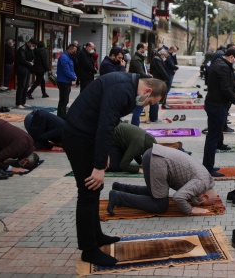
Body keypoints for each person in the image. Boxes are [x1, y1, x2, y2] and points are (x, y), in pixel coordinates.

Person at [61, 72, 165, 267]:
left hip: (87, 134)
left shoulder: (128, 85)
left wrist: (104, 153)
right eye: (150, 102)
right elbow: (105, 125)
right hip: (78, 136)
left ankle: (96, 236)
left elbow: (109, 122)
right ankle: (89, 250)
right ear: (148, 90)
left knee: (94, 190)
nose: (146, 106)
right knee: (88, 191)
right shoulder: (122, 90)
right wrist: (99, 166)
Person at [108, 144, 218, 216]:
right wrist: (191, 209)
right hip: (157, 160)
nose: (198, 204)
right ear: (205, 196)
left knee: (156, 193)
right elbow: (178, 197)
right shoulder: (201, 184)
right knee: (160, 205)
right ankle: (118, 198)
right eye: (202, 203)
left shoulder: (206, 179)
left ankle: (120, 188)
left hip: (155, 155)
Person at [204, 47, 235, 176]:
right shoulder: (223, 67)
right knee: (212, 138)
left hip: (215, 103)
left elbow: (229, 82)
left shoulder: (221, 62)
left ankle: (208, 165)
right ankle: (208, 168)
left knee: (213, 136)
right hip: (217, 105)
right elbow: (225, 88)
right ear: (231, 57)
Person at [128, 43, 158, 126]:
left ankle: (152, 118)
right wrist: (149, 77)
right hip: (139, 84)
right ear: (140, 49)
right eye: (145, 48)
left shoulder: (140, 58)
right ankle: (135, 124)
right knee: (139, 105)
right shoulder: (136, 59)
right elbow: (140, 73)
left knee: (140, 105)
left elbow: (142, 71)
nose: (146, 50)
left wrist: (148, 75)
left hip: (141, 83)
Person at [56, 44, 78, 119]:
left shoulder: (68, 57)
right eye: (74, 51)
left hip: (66, 81)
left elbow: (71, 69)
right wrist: (73, 77)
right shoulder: (64, 57)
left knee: (65, 100)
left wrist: (74, 75)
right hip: (63, 81)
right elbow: (66, 70)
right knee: (63, 100)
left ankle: (63, 114)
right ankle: (61, 116)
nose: (75, 52)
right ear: (70, 49)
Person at [15, 38, 37, 109]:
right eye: (33, 45)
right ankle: (18, 103)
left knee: (26, 86)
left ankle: (23, 102)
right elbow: (22, 59)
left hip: (27, 69)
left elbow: (31, 57)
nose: (33, 47)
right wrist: (29, 63)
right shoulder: (22, 49)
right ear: (30, 43)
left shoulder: (29, 49)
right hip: (21, 69)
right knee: (21, 86)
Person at [148, 48, 169, 115]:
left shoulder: (158, 59)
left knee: (156, 98)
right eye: (164, 55)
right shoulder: (157, 60)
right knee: (155, 98)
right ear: (161, 54)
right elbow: (161, 71)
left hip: (157, 80)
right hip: (157, 81)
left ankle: (154, 116)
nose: (164, 57)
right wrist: (167, 77)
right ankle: (153, 117)